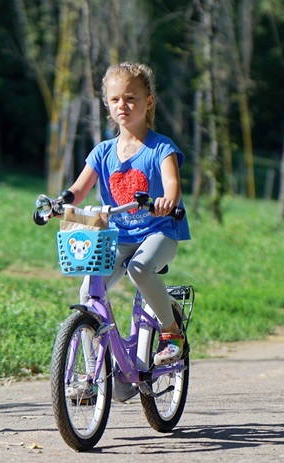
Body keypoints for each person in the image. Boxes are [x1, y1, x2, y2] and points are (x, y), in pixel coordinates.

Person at [62, 61, 191, 368]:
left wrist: (166, 202)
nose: (123, 105)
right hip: (119, 235)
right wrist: (60, 202)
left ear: (148, 102)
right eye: (115, 99)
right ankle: (92, 371)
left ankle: (171, 332)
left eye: (131, 98)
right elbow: (79, 189)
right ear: (107, 104)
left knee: (140, 268)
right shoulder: (103, 152)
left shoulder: (161, 148)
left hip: (160, 231)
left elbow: (173, 185)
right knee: (88, 291)